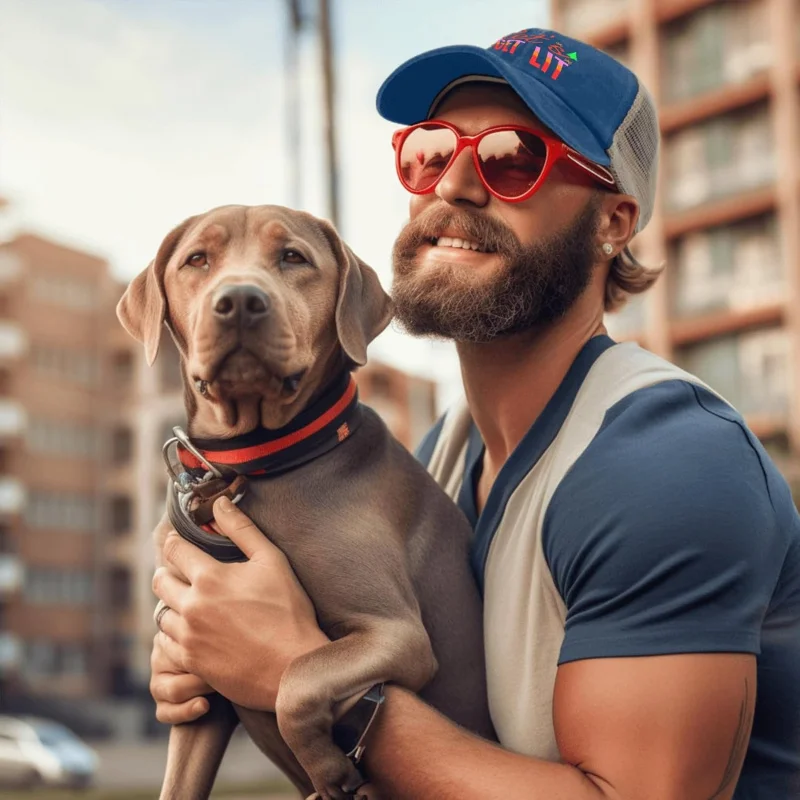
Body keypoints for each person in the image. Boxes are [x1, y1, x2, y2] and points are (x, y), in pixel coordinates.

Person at [150, 27, 800, 799]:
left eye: (512, 159)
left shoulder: (667, 464)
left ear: (613, 222)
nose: (454, 184)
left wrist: (299, 670)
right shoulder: (439, 457)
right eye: (429, 152)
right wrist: (215, 654)